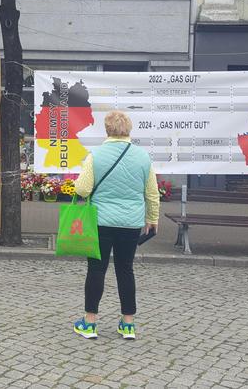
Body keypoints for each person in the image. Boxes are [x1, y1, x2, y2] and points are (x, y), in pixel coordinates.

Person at [72, 110, 160, 340]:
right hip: (131, 223)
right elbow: (152, 192)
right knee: (125, 270)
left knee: (96, 270)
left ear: (107, 129)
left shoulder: (96, 156)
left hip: (101, 222)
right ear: (128, 129)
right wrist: (153, 218)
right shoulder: (142, 157)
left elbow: (81, 189)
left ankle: (90, 323)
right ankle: (128, 324)